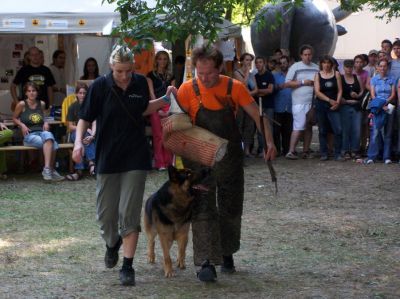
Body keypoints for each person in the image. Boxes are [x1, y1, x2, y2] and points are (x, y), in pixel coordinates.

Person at [72, 45, 175, 286]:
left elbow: (143, 109)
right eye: (119, 71)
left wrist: (164, 99)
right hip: (108, 156)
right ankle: (112, 243)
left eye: (128, 70)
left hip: (135, 157)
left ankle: (128, 266)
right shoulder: (99, 86)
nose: (125, 76)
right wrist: (78, 143)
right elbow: (84, 118)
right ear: (111, 67)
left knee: (129, 214)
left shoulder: (139, 83)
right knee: (106, 215)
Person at [176, 45, 276, 282]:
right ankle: (206, 262)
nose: (204, 78)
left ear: (220, 68)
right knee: (202, 206)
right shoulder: (186, 89)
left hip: (229, 156)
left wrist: (269, 142)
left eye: (209, 73)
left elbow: (258, 116)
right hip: (198, 157)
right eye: (199, 73)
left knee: (230, 206)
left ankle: (226, 251)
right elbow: (177, 123)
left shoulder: (234, 87)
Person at [12, 82, 64, 181]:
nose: (31, 93)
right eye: (29, 91)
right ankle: (50, 170)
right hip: (29, 135)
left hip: (42, 133)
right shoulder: (22, 104)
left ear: (37, 92)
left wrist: (45, 122)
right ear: (26, 93)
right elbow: (14, 118)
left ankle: (47, 169)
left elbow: (43, 117)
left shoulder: (42, 104)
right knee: (53, 144)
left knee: (48, 134)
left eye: (34, 91)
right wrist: (22, 125)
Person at [284, 44, 319, 159]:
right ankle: (291, 151)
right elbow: (287, 83)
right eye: (305, 55)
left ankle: (305, 151)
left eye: (309, 54)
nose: (307, 57)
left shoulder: (316, 67)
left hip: (312, 102)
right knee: (298, 126)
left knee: (309, 126)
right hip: (299, 102)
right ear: (301, 55)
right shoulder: (295, 67)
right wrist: (303, 82)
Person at [146, 50, 175, 170]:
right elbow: (151, 93)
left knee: (168, 135)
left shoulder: (171, 76)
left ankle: (169, 162)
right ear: (156, 60)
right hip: (155, 105)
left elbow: (173, 93)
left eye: (165, 59)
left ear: (168, 61)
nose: (162, 61)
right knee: (157, 135)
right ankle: (160, 163)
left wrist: (168, 110)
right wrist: (157, 108)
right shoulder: (150, 75)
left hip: (168, 107)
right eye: (160, 58)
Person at [365, 58, 396, 164]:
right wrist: (381, 105)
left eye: (384, 66)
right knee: (375, 132)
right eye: (381, 66)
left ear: (387, 67)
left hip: (389, 107)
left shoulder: (391, 79)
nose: (383, 68)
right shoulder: (374, 80)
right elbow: (373, 95)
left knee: (388, 133)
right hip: (378, 108)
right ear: (377, 68)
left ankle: (386, 157)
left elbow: (393, 94)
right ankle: (371, 156)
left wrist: (386, 103)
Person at [314, 55, 343, 161]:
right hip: (321, 105)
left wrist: (337, 102)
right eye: (324, 62)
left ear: (331, 64)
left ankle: (338, 153)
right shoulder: (317, 75)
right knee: (322, 130)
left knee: (338, 129)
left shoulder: (336, 74)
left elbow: (340, 90)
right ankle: (324, 153)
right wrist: (329, 100)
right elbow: (317, 91)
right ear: (321, 64)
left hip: (335, 105)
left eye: (328, 62)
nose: (326, 65)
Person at [65, 83, 96, 181]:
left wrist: (92, 134)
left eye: (84, 93)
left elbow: (95, 122)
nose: (82, 95)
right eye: (80, 93)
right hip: (75, 133)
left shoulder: (92, 106)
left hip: (91, 133)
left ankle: (79, 171)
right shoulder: (72, 107)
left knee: (87, 137)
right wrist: (84, 130)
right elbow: (70, 126)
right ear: (76, 94)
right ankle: (92, 163)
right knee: (82, 137)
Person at [233, 53, 258, 157]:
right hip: (240, 104)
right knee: (239, 125)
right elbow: (243, 85)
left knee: (249, 126)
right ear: (242, 61)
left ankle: (247, 150)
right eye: (247, 60)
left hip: (249, 103)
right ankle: (239, 150)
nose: (249, 62)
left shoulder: (252, 75)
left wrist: (248, 94)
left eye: (250, 60)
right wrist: (247, 72)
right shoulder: (237, 73)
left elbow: (256, 89)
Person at [340, 59, 364, 159]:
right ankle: (345, 150)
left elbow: (362, 91)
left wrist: (357, 95)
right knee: (345, 129)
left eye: (350, 67)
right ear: (343, 67)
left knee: (357, 129)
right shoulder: (340, 78)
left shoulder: (357, 77)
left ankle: (355, 150)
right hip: (344, 106)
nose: (349, 69)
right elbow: (338, 92)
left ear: (353, 68)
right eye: (347, 67)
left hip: (356, 106)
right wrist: (346, 101)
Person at [254, 56, 275, 156]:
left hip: (268, 105)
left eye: (260, 62)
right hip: (258, 105)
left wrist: (258, 91)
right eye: (257, 62)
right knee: (259, 127)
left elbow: (270, 90)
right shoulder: (255, 77)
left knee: (269, 127)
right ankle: (261, 148)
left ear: (264, 63)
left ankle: (269, 148)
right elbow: (254, 92)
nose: (258, 64)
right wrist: (261, 92)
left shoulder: (269, 75)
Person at [273, 55, 293, 156]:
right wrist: (277, 87)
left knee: (288, 131)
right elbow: (271, 89)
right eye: (280, 63)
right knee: (276, 131)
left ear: (288, 63)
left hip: (290, 107)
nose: (282, 65)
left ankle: (286, 150)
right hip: (278, 107)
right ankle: (277, 150)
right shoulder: (275, 76)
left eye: (284, 63)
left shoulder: (293, 76)